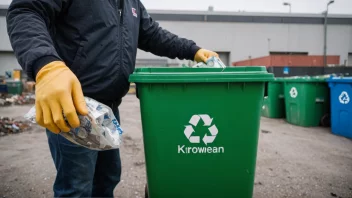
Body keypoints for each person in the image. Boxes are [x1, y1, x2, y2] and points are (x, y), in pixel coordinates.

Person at [6, 0, 219, 197]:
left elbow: (152, 35)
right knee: (76, 187)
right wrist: (46, 65)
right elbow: (26, 9)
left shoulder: (130, 3)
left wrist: (193, 50)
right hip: (74, 106)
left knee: (107, 180)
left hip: (109, 110)